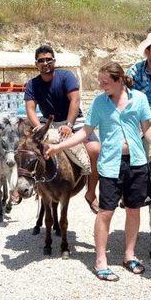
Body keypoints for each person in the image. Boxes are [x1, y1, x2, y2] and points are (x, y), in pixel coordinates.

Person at [46, 62, 151, 281]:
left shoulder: (138, 99)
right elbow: (85, 132)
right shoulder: (100, 103)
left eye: (105, 82)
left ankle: (129, 255)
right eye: (100, 82)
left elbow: (147, 128)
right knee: (106, 212)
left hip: (137, 162)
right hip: (111, 164)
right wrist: (59, 147)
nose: (102, 87)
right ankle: (100, 260)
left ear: (119, 80)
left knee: (133, 210)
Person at [24, 44, 101, 213]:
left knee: (95, 150)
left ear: (54, 61)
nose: (45, 63)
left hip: (73, 120)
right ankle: (27, 186)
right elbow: (30, 109)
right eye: (41, 60)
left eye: (48, 60)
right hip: (47, 123)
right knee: (25, 150)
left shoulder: (66, 76)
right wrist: (39, 128)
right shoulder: (32, 84)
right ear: (36, 64)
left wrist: (69, 125)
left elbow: (75, 100)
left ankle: (91, 193)